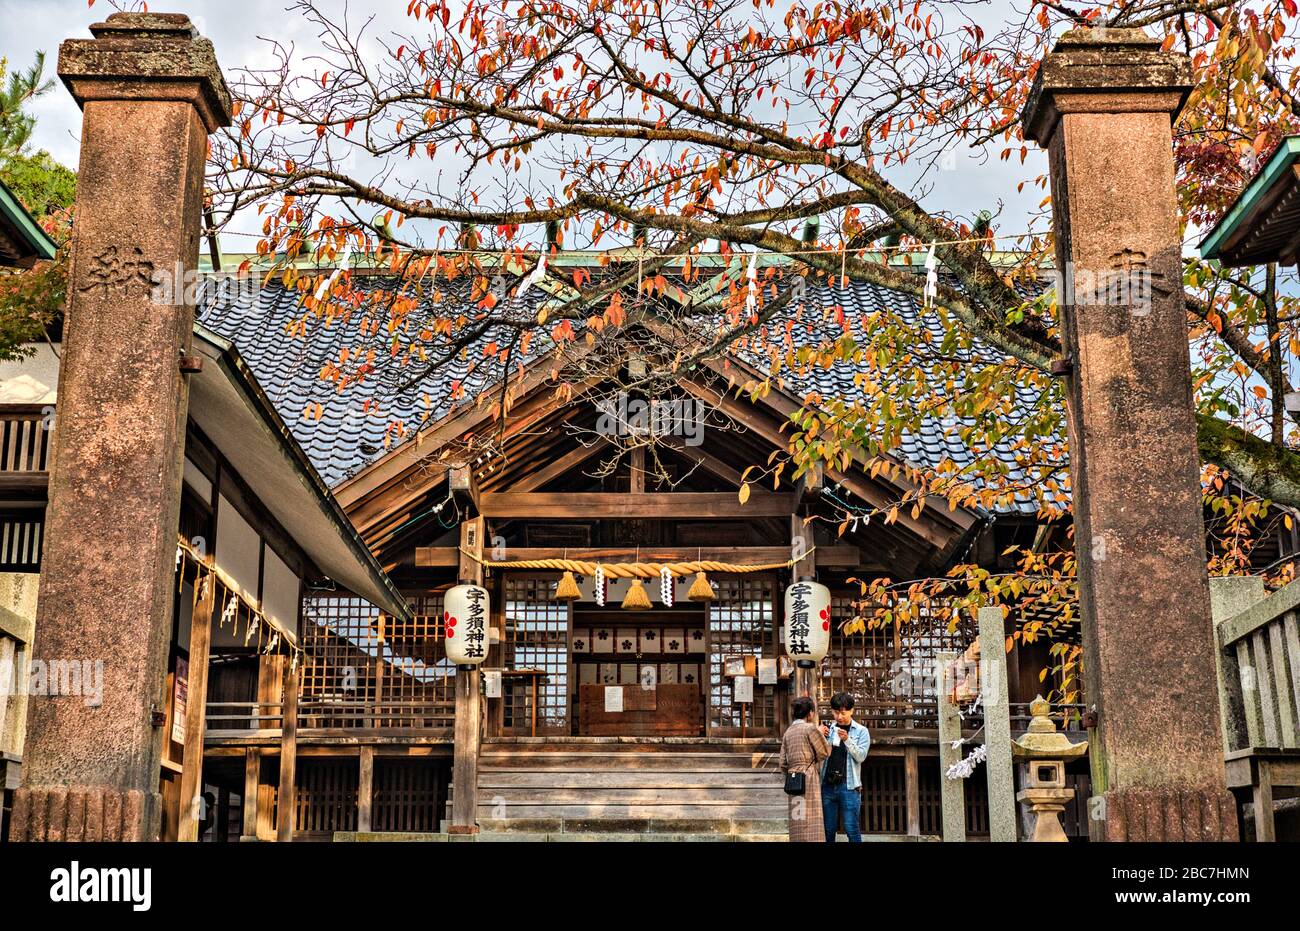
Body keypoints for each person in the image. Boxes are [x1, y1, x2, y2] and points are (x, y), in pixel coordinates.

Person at [819, 692, 870, 842]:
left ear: (851, 710)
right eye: (835, 712)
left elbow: (861, 756)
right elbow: (818, 754)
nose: (839, 717)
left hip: (849, 787)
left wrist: (847, 739)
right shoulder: (828, 729)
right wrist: (818, 734)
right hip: (828, 785)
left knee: (851, 828)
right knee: (828, 830)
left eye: (843, 712)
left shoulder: (861, 731)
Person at [779, 694, 831, 842]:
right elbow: (824, 752)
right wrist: (821, 734)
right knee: (811, 817)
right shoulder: (810, 729)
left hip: (793, 779)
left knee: (798, 817)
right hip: (808, 777)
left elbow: (782, 762)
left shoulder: (788, 732)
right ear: (810, 713)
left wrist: (792, 771)